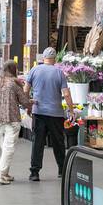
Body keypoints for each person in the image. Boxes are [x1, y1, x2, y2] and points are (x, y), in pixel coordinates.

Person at [26, 47, 70, 182]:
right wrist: (72, 110)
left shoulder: (34, 70)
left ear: (43, 58)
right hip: (56, 114)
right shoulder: (59, 72)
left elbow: (25, 90)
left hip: (38, 112)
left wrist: (28, 105)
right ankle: (62, 170)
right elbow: (66, 94)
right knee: (58, 142)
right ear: (55, 58)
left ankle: (34, 173)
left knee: (37, 142)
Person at [0, 60, 30, 185]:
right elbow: (24, 101)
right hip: (12, 120)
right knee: (8, 148)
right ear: (14, 70)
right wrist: (32, 103)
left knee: (3, 148)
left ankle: (5, 173)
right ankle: (1, 175)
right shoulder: (15, 83)